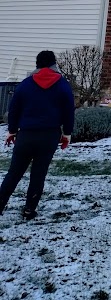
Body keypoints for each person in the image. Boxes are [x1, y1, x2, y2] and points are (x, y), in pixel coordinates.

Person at [0, 50, 74, 220]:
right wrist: (67, 133)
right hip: (49, 136)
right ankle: (29, 210)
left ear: (37, 64)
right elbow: (69, 111)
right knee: (39, 174)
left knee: (14, 173)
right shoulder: (63, 85)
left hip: (26, 135)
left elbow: (14, 110)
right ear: (54, 64)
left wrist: (12, 131)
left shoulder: (25, 84)